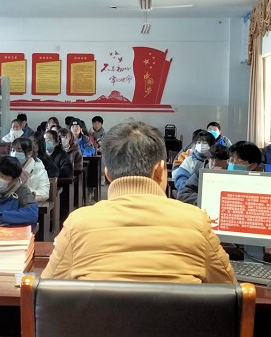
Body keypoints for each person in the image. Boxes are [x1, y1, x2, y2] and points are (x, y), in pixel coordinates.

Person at [41, 120, 236, 283]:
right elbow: (231, 290)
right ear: (160, 171)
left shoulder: (77, 224)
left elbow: (47, 291)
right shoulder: (197, 222)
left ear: (107, 174)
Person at [11, 137, 50, 202]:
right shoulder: (8, 167)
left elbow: (44, 194)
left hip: (28, 204)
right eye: (13, 150)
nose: (14, 154)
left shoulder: (39, 170)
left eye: (19, 151)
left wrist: (23, 188)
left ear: (29, 153)